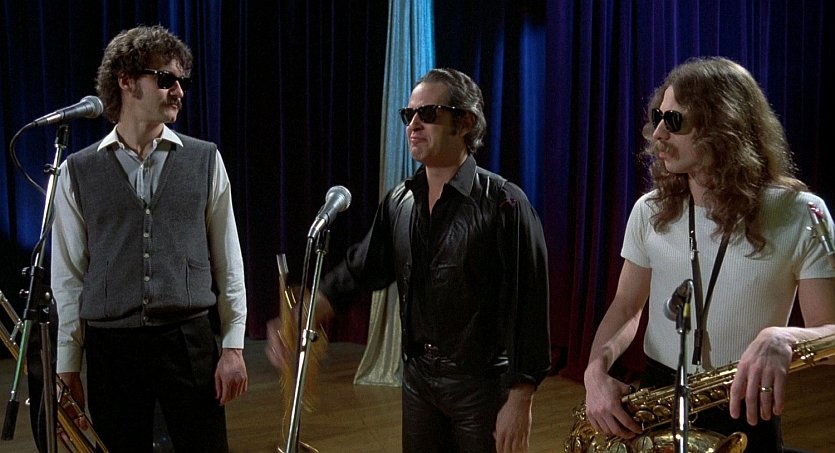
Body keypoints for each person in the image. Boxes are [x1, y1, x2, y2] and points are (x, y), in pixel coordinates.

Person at [267, 68, 551, 453]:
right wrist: (304, 313)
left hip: (482, 388)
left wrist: (520, 399)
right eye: (409, 114)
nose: (413, 124)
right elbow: (361, 270)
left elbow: (529, 307)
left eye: (428, 113)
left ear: (465, 122)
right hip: (418, 381)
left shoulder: (505, 204)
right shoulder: (400, 201)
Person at [582, 56, 835, 451]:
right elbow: (627, 305)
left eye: (675, 121)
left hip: (745, 404)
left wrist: (784, 337)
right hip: (659, 398)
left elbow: (830, 332)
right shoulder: (649, 210)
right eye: (658, 117)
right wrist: (595, 371)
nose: (658, 133)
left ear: (724, 126)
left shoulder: (802, 213)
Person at [51, 25, 248, 452]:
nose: (178, 91)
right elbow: (68, 278)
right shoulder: (76, 171)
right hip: (112, 349)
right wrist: (67, 365)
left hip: (188, 341)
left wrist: (233, 346)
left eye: (182, 81)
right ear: (126, 81)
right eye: (165, 79)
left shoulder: (205, 159)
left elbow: (228, 262)